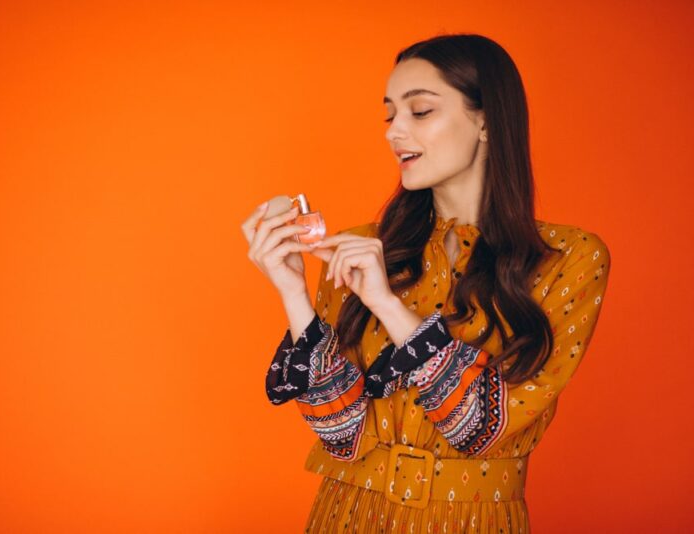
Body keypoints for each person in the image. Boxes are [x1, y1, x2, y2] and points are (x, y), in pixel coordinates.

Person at [241, 33, 611, 533]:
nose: (394, 132)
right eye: (389, 115)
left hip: (470, 520)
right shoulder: (362, 249)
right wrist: (293, 294)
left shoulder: (568, 259)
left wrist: (387, 305)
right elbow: (342, 435)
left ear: (486, 121)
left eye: (419, 111)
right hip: (346, 514)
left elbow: (480, 429)